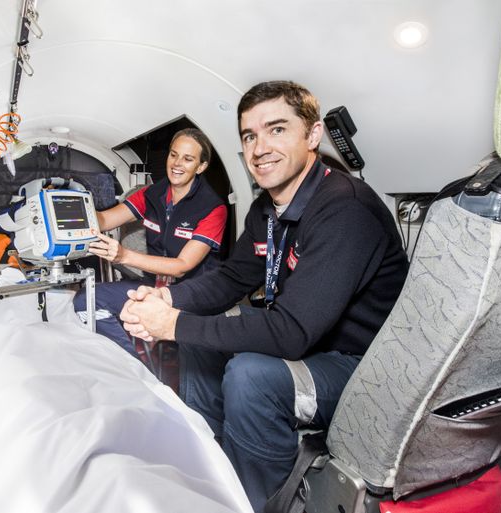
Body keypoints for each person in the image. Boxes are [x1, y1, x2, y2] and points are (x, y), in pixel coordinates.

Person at [119, 81, 409, 511]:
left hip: (361, 367)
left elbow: (291, 333)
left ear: (312, 136)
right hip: (313, 345)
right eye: (250, 136)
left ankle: (258, 501)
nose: (259, 148)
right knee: (201, 344)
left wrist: (173, 324)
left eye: (276, 130)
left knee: (252, 376)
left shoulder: (344, 210)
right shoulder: (266, 209)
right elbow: (233, 277)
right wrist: (170, 302)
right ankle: (212, 464)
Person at [74, 128, 227, 357]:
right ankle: (130, 366)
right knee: (87, 300)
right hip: (153, 287)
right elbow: (105, 220)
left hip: (192, 295)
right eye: (173, 155)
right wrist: (72, 205)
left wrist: (124, 256)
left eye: (188, 159)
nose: (177, 164)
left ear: (201, 166)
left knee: (194, 358)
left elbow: (182, 264)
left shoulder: (213, 208)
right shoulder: (151, 195)